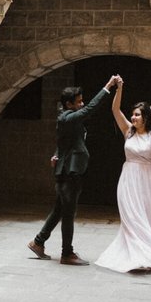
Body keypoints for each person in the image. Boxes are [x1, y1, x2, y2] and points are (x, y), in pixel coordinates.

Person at [94, 78, 151, 274]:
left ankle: (146, 255)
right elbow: (115, 110)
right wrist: (119, 88)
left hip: (147, 180)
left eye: (137, 115)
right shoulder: (128, 131)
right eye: (133, 114)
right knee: (130, 216)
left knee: (144, 217)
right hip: (128, 178)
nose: (133, 117)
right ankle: (134, 256)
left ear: (145, 117)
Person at [28, 75, 121, 265]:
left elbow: (64, 141)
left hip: (68, 169)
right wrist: (108, 86)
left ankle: (38, 242)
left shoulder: (67, 117)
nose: (82, 103)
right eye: (79, 101)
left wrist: (57, 154)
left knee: (59, 209)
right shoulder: (68, 117)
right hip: (70, 172)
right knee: (68, 214)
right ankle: (67, 253)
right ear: (69, 104)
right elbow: (90, 109)